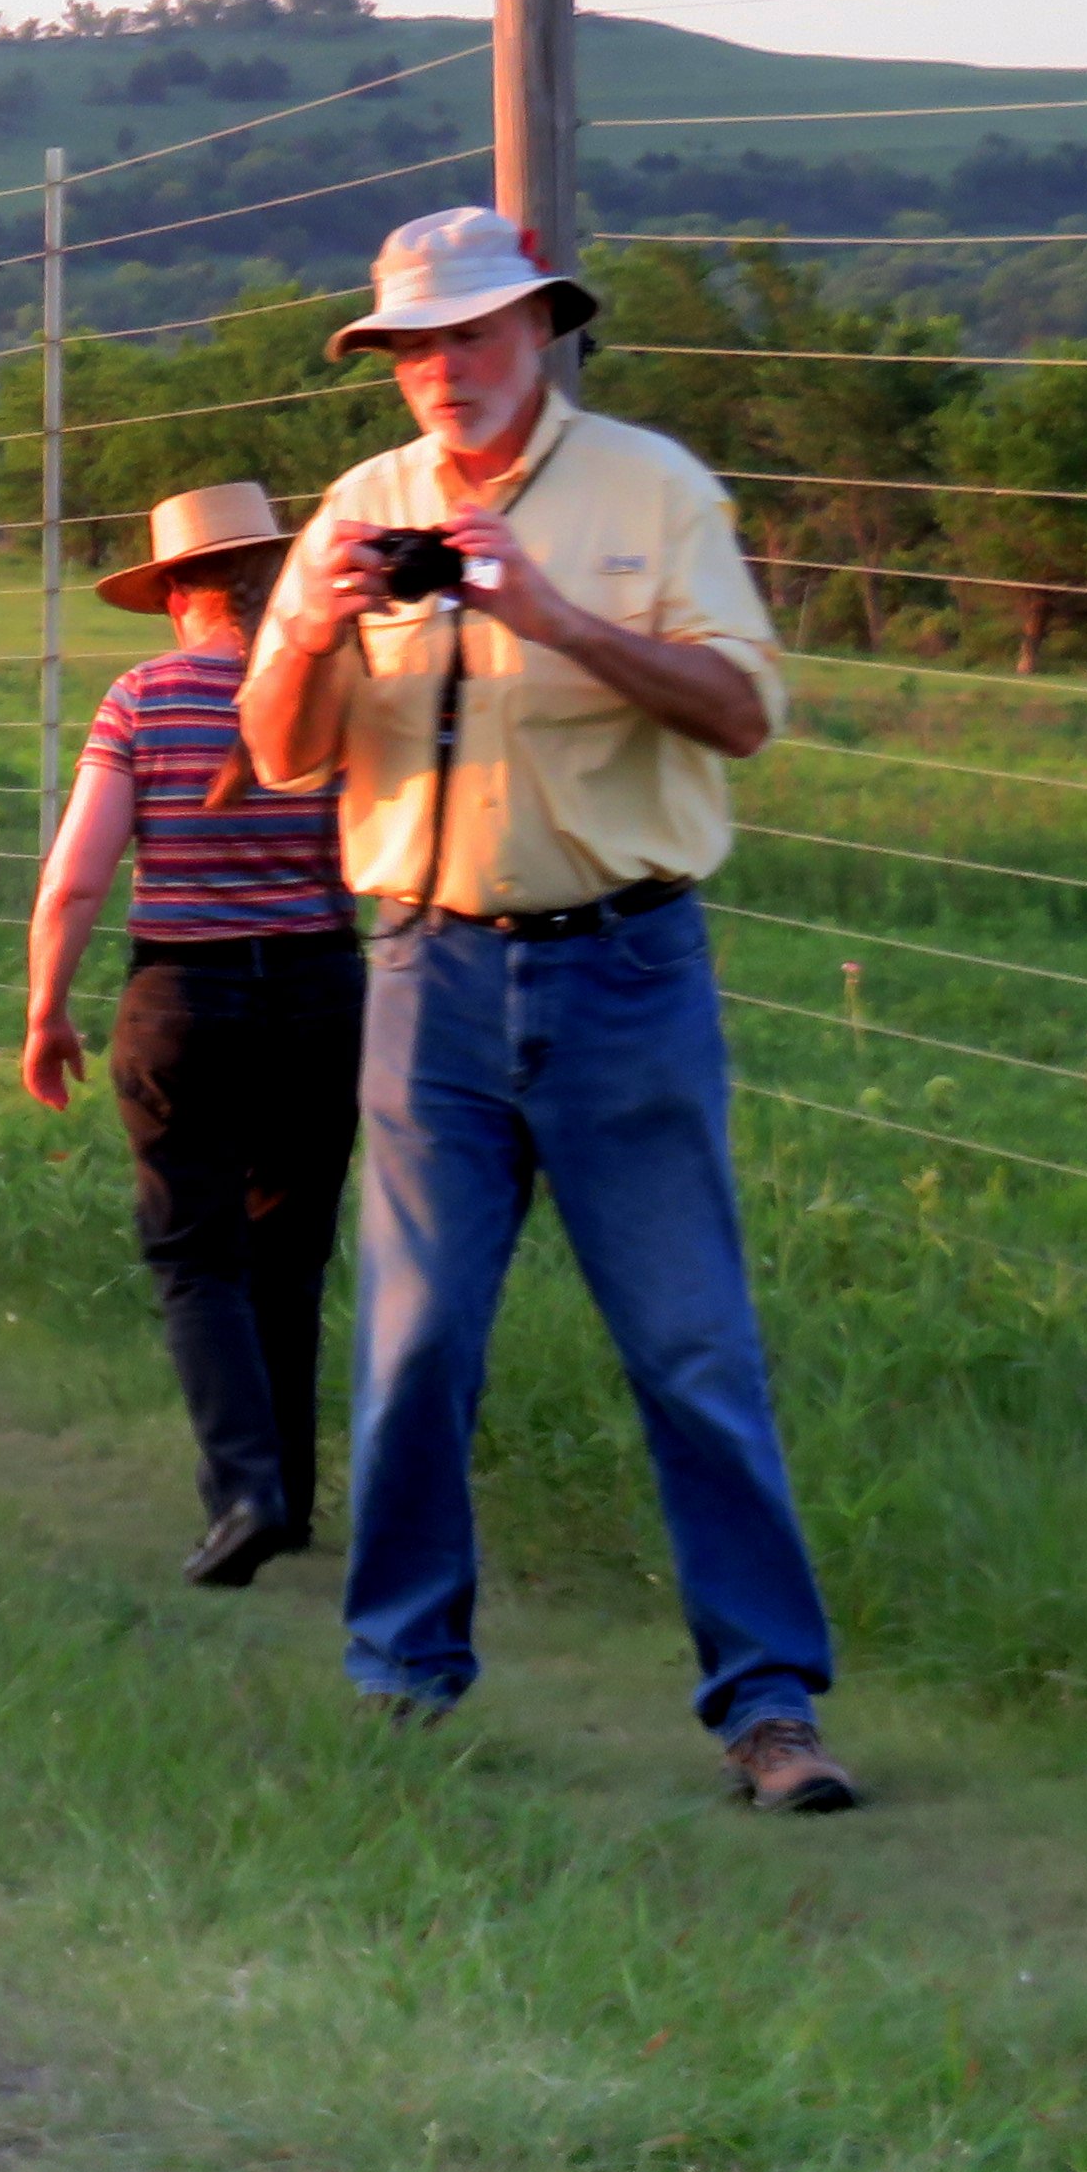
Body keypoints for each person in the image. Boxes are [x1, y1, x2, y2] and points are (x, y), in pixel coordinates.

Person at [237, 205, 853, 1812]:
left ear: (541, 333)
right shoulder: (355, 509)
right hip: (424, 967)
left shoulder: (652, 487)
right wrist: (305, 626)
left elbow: (743, 713)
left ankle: (770, 1707)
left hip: (625, 966)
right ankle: (401, 1678)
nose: (444, 370)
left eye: (474, 335)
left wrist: (552, 615)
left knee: (691, 1345)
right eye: (413, 346)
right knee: (415, 1343)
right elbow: (285, 751)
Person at [22, 478, 358, 1588]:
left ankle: (244, 1489)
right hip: (322, 991)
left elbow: (77, 880)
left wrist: (47, 1010)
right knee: (289, 1251)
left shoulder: (144, 696)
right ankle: (292, 1501)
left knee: (194, 1254)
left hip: (186, 999)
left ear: (177, 592)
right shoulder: (340, 692)